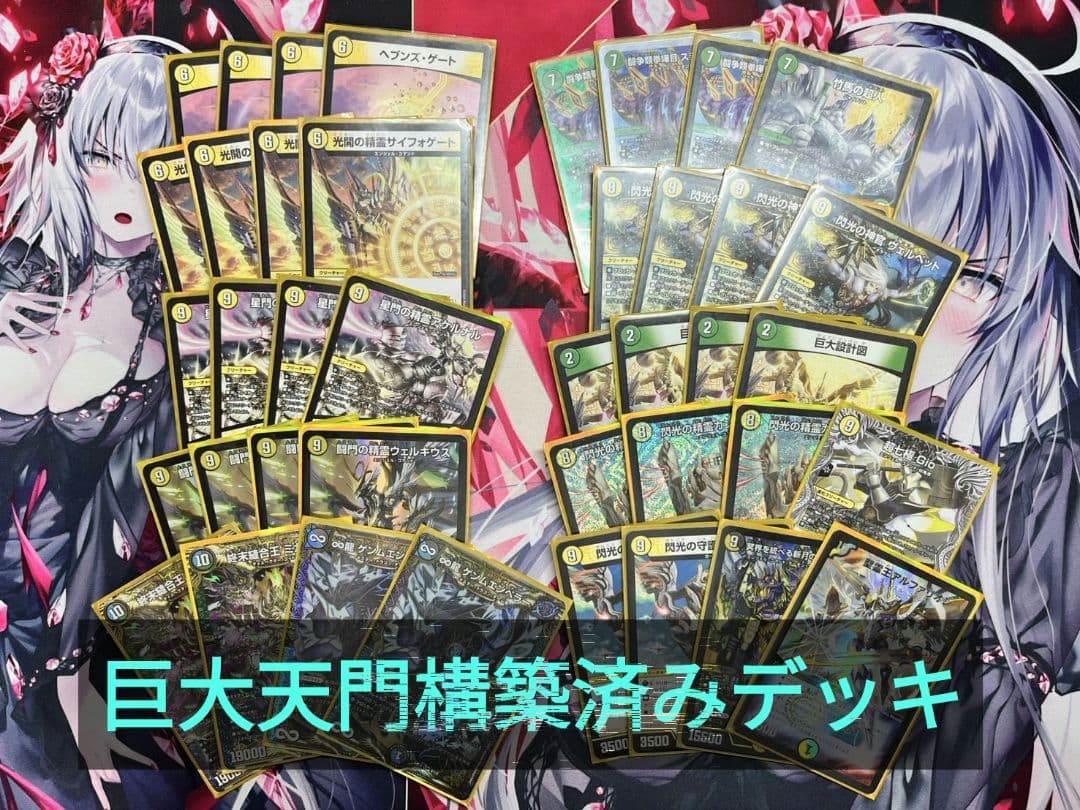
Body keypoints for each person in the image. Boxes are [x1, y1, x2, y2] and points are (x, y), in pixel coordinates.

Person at [499, 9, 1080, 810]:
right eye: (869, 250)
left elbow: (944, 778)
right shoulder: (662, 405)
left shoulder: (1021, 506)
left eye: (973, 278)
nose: (907, 308)